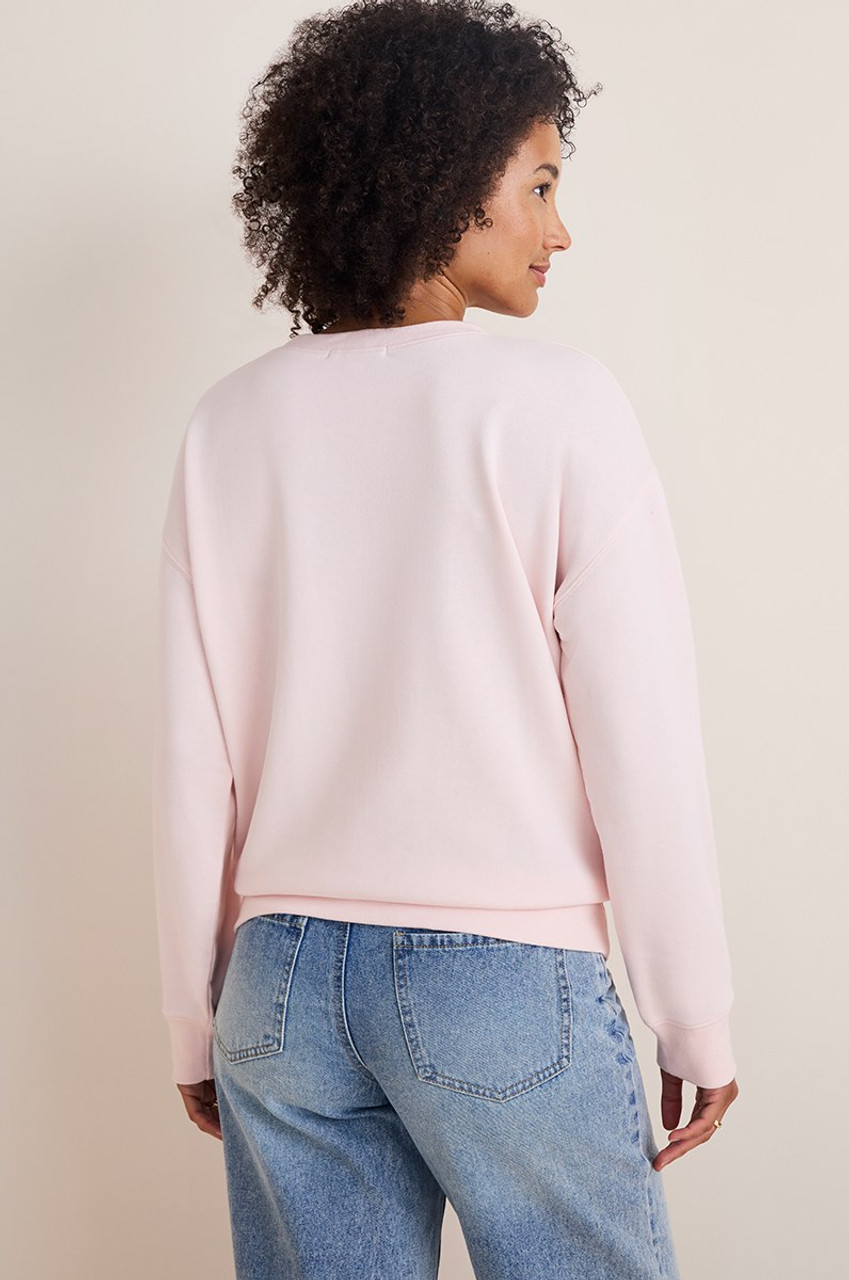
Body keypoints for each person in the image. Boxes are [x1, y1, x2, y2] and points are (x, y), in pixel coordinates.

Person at [151, 1, 740, 1276]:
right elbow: (640, 737)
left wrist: (193, 1016)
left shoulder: (228, 424)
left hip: (280, 986)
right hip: (504, 973)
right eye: (540, 186)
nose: (559, 229)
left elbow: (195, 757)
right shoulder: (561, 406)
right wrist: (694, 1010)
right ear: (442, 181)